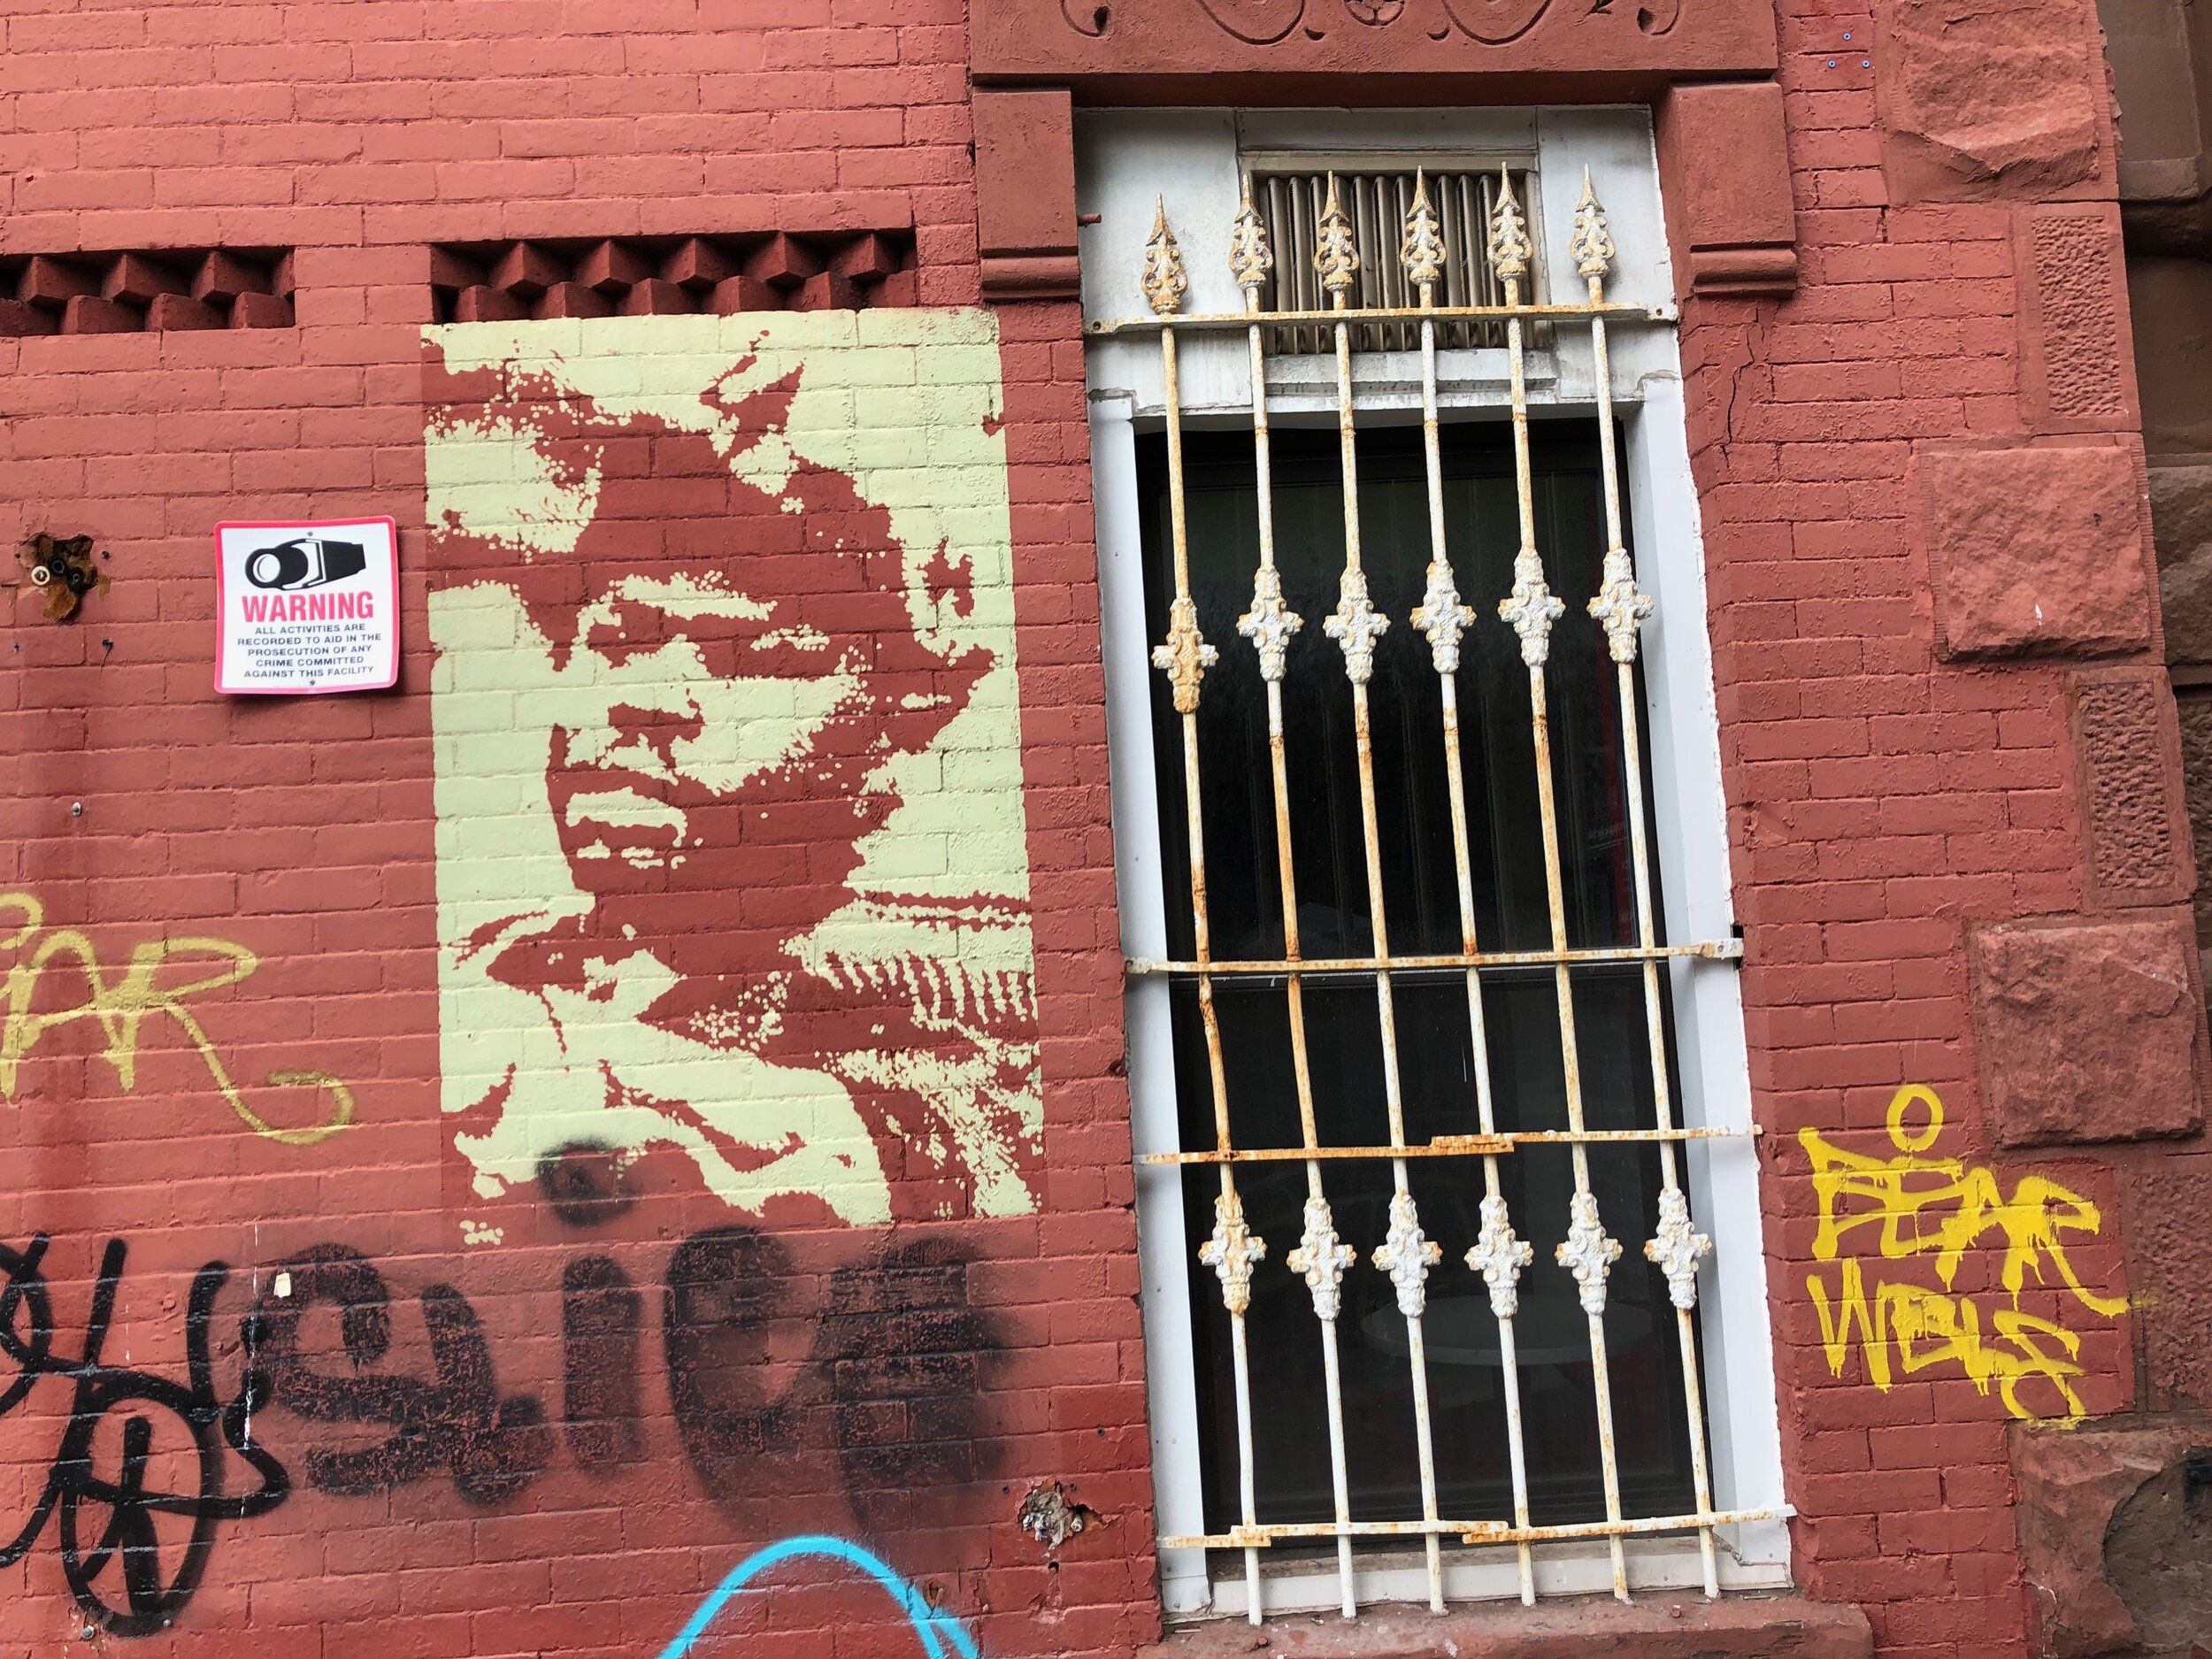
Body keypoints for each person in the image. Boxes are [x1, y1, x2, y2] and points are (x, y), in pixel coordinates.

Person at [424, 334, 1041, 1227]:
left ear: (887, 741)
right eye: (619, 640)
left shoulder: (939, 1101)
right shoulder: (468, 997)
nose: (646, 701)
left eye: (746, 657)